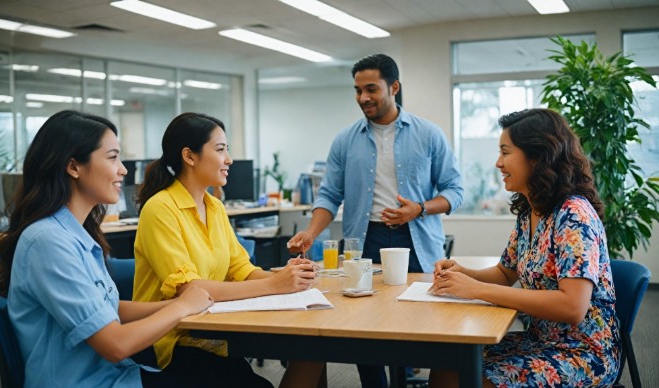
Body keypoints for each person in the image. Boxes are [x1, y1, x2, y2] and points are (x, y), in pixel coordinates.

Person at [0, 110, 213, 387]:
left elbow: (108, 309)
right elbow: (115, 345)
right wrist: (180, 308)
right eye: (112, 157)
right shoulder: (47, 241)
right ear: (73, 167)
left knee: (229, 374)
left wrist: (178, 306)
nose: (123, 169)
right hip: (90, 382)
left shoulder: (74, 233)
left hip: (115, 375)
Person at [287, 53, 463, 387]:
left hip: (416, 239)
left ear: (393, 87)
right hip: (364, 239)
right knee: (360, 321)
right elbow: (328, 196)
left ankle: (410, 372)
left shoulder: (428, 134)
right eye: (357, 90)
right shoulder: (345, 139)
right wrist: (311, 231)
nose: (363, 98)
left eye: (371, 89)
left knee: (422, 318)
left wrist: (419, 208)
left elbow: (455, 190)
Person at [429, 108, 620, 387]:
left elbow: (572, 306)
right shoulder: (530, 211)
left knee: (463, 377)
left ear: (537, 156)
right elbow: (505, 273)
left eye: (505, 153)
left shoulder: (573, 215)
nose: (498, 163)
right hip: (540, 340)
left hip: (582, 354)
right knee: (447, 364)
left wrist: (477, 289)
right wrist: (464, 273)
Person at [133, 112, 326, 388]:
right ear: (189, 156)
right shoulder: (160, 208)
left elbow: (241, 269)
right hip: (175, 342)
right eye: (221, 149)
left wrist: (290, 276)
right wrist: (274, 284)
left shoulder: (215, 206)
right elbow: (189, 289)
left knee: (313, 351)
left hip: (215, 334)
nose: (229, 159)